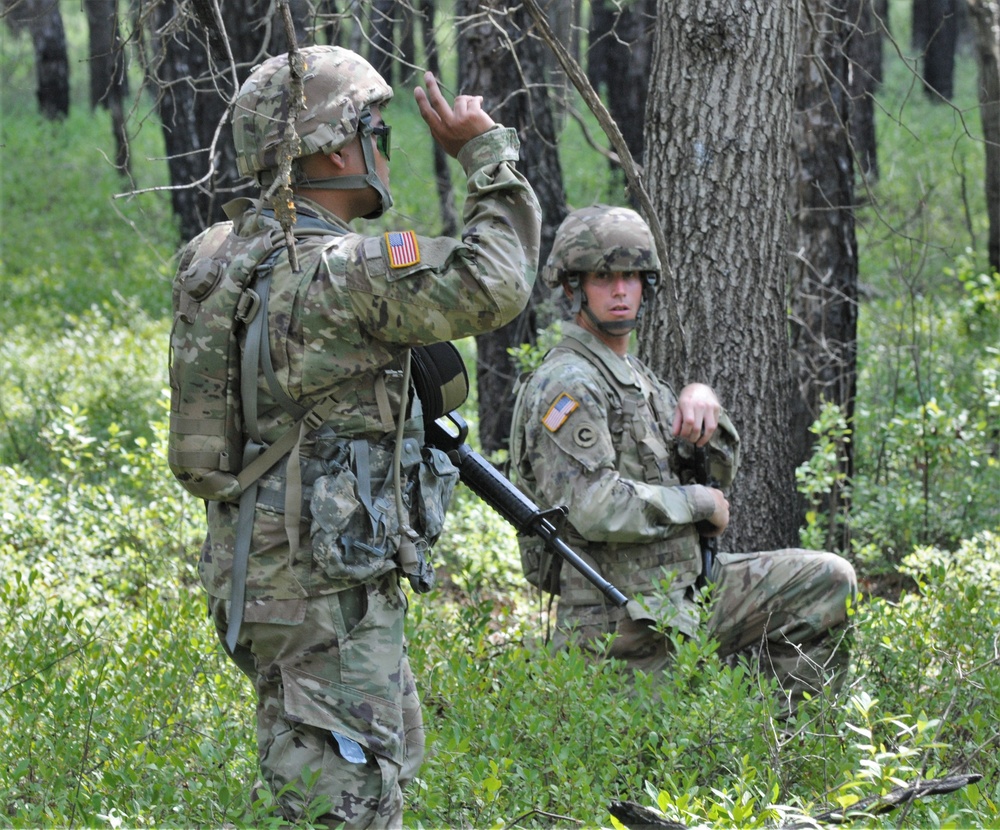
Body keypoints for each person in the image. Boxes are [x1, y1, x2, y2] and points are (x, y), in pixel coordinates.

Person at [177, 46, 540, 827]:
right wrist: (486, 154)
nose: (383, 148)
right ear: (337, 149)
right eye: (376, 129)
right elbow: (498, 282)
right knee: (350, 804)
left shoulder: (218, 257)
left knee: (357, 773)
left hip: (263, 571)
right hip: (323, 589)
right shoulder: (343, 273)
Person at [509, 204, 856, 715]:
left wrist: (704, 405)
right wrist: (697, 503)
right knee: (646, 771)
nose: (621, 290)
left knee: (827, 582)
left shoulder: (636, 378)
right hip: (618, 620)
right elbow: (593, 505)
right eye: (604, 277)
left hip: (686, 592)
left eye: (632, 276)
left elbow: (715, 471)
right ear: (573, 287)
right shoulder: (569, 384)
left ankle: (787, 746)